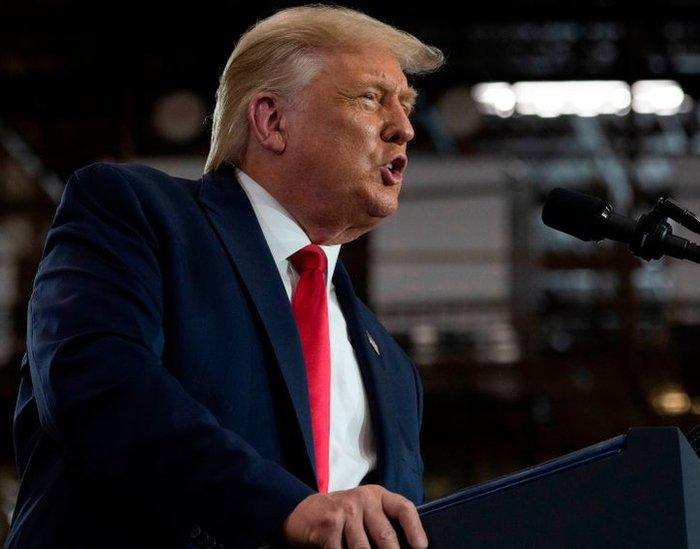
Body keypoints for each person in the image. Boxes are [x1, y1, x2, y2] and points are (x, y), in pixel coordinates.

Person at [5, 5, 443, 548]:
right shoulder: (137, 214)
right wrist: (285, 508)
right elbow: (96, 385)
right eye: (371, 98)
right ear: (272, 121)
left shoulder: (396, 370)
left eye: (406, 104)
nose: (403, 127)